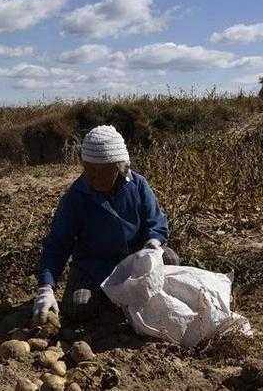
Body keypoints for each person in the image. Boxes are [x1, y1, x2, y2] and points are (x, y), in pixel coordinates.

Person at [32, 125, 180, 324]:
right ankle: (113, 297)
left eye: (101, 171)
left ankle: (130, 297)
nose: (93, 178)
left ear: (119, 168)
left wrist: (153, 242)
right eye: (88, 170)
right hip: (94, 269)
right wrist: (46, 287)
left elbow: (156, 221)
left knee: (169, 257)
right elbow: (58, 243)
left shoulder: (137, 185)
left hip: (135, 264)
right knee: (78, 308)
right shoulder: (76, 196)